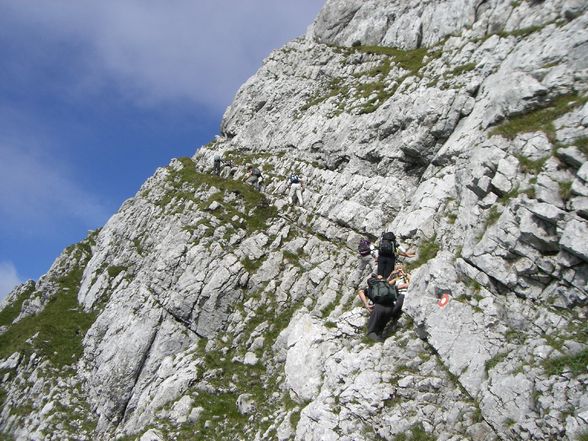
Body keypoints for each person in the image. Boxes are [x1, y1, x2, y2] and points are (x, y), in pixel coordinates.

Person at [357, 274, 407, 342]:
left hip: (378, 307)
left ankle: (374, 339)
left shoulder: (370, 289)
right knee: (381, 326)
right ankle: (380, 336)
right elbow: (403, 286)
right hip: (390, 308)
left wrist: (366, 304)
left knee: (371, 331)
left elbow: (360, 292)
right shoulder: (388, 286)